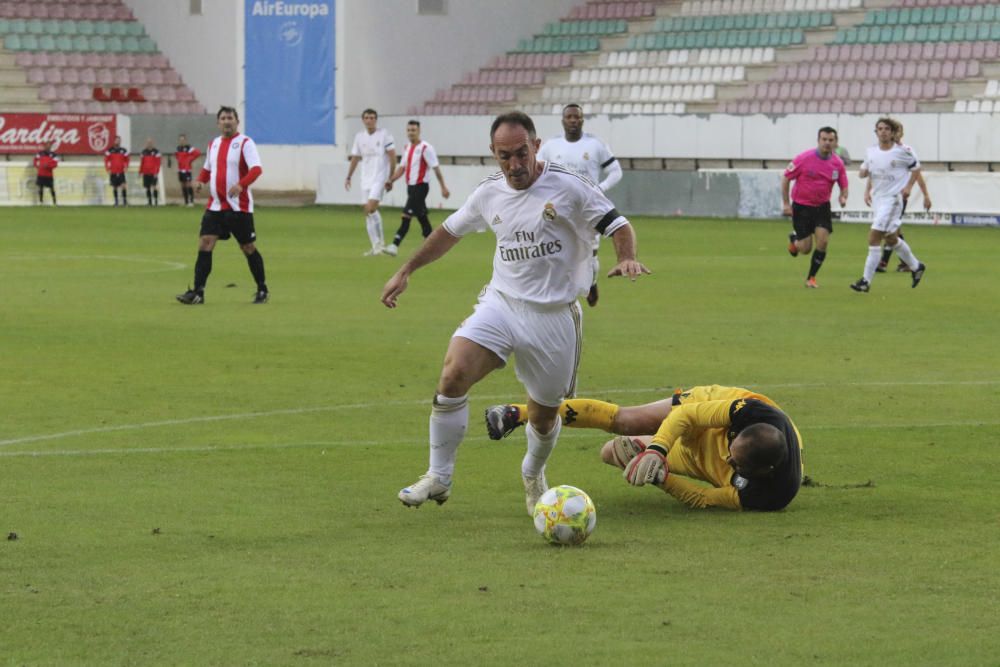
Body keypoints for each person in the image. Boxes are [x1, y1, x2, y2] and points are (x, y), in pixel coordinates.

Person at [382, 111, 650, 515]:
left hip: (554, 317)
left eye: (521, 153)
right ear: (493, 154)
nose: (514, 165)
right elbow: (449, 231)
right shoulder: (489, 192)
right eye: (504, 156)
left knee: (543, 417)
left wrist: (627, 258)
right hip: (502, 304)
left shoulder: (569, 185)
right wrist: (407, 269)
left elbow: (618, 223)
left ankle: (532, 473)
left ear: (536, 146)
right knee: (453, 373)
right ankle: (439, 476)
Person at [485, 384, 803, 511]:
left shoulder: (771, 495)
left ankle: (648, 455)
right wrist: (657, 450)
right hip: (702, 418)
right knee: (629, 420)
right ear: (738, 432)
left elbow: (704, 498)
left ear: (762, 471)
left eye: (735, 463)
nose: (727, 457)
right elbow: (686, 414)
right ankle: (516, 413)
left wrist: (662, 478)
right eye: (730, 447)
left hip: (701, 465)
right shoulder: (751, 411)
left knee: (611, 453)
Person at [176, 106, 268, 305]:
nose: (227, 121)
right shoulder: (214, 144)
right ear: (218, 123)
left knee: (248, 247)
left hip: (239, 207)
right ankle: (198, 292)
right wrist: (200, 181)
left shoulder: (245, 143)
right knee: (205, 243)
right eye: (223, 118)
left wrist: (241, 185)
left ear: (237, 122)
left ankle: (262, 288)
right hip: (216, 206)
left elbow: (256, 169)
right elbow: (208, 169)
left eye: (230, 118)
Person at [536, 103, 623, 307]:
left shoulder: (595, 145)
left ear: (582, 120)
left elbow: (616, 171)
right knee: (555, 246)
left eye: (577, 117)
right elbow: (537, 170)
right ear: (563, 120)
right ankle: (558, 287)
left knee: (590, 251)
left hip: (587, 207)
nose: (573, 120)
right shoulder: (551, 145)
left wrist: (599, 189)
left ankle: (591, 282)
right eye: (569, 117)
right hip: (559, 207)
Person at [850, 117, 927, 293]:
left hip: (893, 200)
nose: (883, 131)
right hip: (878, 199)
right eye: (880, 128)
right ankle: (916, 266)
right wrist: (864, 176)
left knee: (873, 237)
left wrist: (908, 187)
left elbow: (916, 168)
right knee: (891, 238)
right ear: (876, 132)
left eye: (886, 129)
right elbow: (864, 171)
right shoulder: (871, 151)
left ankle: (865, 281)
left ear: (892, 133)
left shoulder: (902, 152)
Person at [781, 126, 848, 288]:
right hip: (802, 207)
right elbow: (786, 178)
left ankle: (811, 278)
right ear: (818, 141)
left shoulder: (837, 163)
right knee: (805, 249)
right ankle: (795, 241)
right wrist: (786, 204)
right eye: (824, 139)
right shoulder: (803, 158)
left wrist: (843, 196)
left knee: (823, 241)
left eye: (830, 140)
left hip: (822, 207)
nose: (827, 143)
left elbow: (843, 184)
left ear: (835, 142)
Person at [383, 119, 450, 257]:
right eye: (409, 130)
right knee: (421, 216)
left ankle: (395, 245)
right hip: (411, 187)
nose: (411, 133)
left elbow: (435, 168)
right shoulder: (407, 147)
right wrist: (391, 180)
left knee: (406, 215)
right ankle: (433, 243)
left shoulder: (426, 148)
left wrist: (443, 187)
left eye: (413, 130)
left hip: (421, 187)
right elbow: (402, 168)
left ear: (419, 131)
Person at [876, 122, 932, 274]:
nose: (895, 134)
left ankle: (884, 262)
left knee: (889, 229)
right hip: (883, 197)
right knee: (892, 230)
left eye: (898, 131)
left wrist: (925, 195)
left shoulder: (905, 151)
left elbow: (917, 173)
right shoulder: (883, 151)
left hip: (898, 198)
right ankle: (905, 263)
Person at [345, 109, 397, 256]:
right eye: (367, 118)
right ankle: (376, 246)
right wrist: (349, 176)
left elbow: (393, 156)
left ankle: (380, 244)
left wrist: (391, 177)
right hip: (365, 178)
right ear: (363, 120)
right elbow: (355, 157)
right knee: (368, 212)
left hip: (380, 177)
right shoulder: (359, 137)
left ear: (376, 120)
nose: (369, 120)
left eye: (372, 118)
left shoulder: (384, 134)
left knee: (370, 208)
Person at [176, 134, 202, 207]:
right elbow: (178, 157)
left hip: (187, 169)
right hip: (180, 169)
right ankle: (186, 201)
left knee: (188, 184)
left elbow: (198, 153)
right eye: (180, 140)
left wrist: (190, 159)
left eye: (183, 140)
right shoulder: (178, 148)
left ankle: (191, 201)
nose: (182, 141)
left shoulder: (189, 148)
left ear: (185, 140)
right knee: (183, 185)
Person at [104, 136, 129, 206]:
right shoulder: (109, 150)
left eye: (119, 140)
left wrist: (126, 167)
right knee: (114, 187)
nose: (117, 141)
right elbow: (106, 160)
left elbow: (127, 160)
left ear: (120, 141)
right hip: (113, 171)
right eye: (116, 140)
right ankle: (116, 202)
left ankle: (124, 201)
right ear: (114, 141)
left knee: (123, 186)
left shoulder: (124, 150)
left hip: (121, 171)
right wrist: (107, 169)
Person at [33, 141, 58, 206]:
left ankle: (54, 202)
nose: (48, 147)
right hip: (41, 174)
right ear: (45, 146)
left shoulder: (54, 155)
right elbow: (35, 161)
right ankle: (41, 202)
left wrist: (48, 166)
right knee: (40, 188)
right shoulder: (40, 153)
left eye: (49, 145)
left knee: (52, 188)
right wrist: (37, 166)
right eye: (47, 145)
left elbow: (55, 164)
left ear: (51, 147)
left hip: (49, 174)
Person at [139, 138, 162, 207]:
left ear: (152, 143)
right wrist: (140, 172)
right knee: (147, 187)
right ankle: (149, 202)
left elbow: (158, 163)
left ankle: (156, 202)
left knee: (154, 187)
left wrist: (156, 172)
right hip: (146, 172)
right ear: (146, 143)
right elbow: (142, 163)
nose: (149, 144)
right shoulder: (143, 152)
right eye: (148, 143)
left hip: (153, 172)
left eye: (150, 142)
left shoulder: (156, 152)